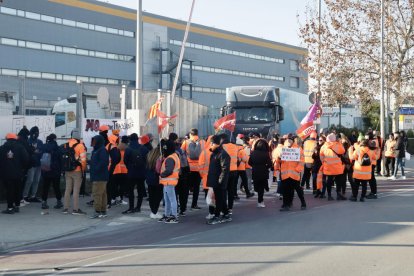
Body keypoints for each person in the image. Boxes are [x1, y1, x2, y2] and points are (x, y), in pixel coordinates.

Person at [276, 134, 307, 211]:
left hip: (294, 173)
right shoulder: (283, 149)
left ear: (293, 142)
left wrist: (298, 169)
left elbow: (302, 161)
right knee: (285, 190)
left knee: (298, 189)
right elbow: (279, 160)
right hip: (285, 174)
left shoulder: (298, 149)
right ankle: (286, 204)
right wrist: (279, 158)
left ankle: (303, 203)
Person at [0, 133, 29, 214]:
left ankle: (9, 208)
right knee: (17, 189)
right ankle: (17, 206)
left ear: (7, 139)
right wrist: (22, 168)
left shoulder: (2, 148)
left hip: (6, 173)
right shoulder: (20, 147)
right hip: (18, 172)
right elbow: (26, 159)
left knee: (9, 190)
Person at [206, 135, 231, 225]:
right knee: (221, 198)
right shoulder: (214, 153)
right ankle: (226, 214)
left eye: (211, 144)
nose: (210, 146)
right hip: (214, 180)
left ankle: (217, 216)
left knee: (219, 199)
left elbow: (225, 169)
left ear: (215, 144)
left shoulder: (223, 154)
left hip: (220, 181)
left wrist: (220, 181)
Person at [62, 128, 87, 215]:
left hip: (67, 170)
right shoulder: (80, 146)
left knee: (67, 189)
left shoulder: (66, 144)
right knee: (76, 190)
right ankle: (75, 209)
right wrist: (83, 169)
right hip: (77, 171)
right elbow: (83, 160)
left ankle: (65, 208)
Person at [123, 133, 149, 214]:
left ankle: (131, 207)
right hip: (141, 172)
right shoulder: (143, 148)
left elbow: (125, 160)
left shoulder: (128, 148)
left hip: (131, 172)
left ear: (130, 139)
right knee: (140, 190)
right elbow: (147, 159)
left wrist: (129, 167)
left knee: (130, 190)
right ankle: (138, 207)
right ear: (137, 139)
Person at [181, 128, 205, 210]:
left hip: (189, 168)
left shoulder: (186, 142)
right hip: (198, 168)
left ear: (190, 134)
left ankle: (183, 206)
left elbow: (181, 153)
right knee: (196, 187)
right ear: (197, 134)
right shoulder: (202, 142)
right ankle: (194, 204)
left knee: (186, 188)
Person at [159, 140, 180, 223]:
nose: (164, 149)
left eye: (165, 148)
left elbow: (169, 170)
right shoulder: (174, 156)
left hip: (169, 181)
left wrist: (161, 175)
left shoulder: (170, 158)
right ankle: (167, 215)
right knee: (168, 199)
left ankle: (174, 216)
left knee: (171, 199)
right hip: (168, 182)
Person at [320, 133, 346, 200]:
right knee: (338, 182)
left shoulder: (323, 146)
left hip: (328, 168)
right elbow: (343, 151)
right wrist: (339, 142)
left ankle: (329, 196)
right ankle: (338, 194)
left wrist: (325, 163)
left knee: (329, 182)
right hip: (337, 168)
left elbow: (321, 157)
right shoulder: (337, 145)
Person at [40, 134, 63, 210]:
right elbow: (61, 160)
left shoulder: (44, 146)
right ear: (54, 139)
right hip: (55, 171)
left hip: (45, 169)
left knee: (45, 187)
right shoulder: (58, 148)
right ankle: (59, 202)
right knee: (56, 187)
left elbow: (40, 156)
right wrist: (61, 170)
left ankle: (44, 202)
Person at [89, 135, 110, 218]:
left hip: (100, 176)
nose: (93, 143)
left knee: (97, 194)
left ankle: (97, 211)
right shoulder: (97, 150)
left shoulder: (101, 150)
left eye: (94, 141)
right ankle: (103, 211)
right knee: (103, 194)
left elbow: (104, 162)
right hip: (99, 175)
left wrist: (96, 169)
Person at [248, 139, 272, 208]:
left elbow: (249, 162)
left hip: (255, 171)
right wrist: (266, 166)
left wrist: (254, 166)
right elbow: (270, 164)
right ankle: (260, 201)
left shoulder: (253, 153)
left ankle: (258, 193)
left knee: (257, 186)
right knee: (261, 188)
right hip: (263, 171)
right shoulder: (266, 154)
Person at [22, 126, 44, 203]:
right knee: (30, 180)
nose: (36, 134)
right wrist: (35, 152)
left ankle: (33, 196)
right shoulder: (28, 141)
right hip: (31, 164)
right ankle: (24, 196)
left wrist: (36, 152)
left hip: (38, 164)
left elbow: (42, 151)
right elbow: (27, 152)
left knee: (36, 180)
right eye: (34, 133)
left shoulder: (40, 142)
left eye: (37, 133)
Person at [221, 133, 239, 213]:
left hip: (225, 171)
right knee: (231, 190)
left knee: (223, 190)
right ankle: (230, 207)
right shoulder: (235, 146)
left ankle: (224, 208)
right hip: (234, 171)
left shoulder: (222, 147)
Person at [146, 144, 164, 219]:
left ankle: (153, 211)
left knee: (151, 195)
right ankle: (154, 212)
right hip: (157, 178)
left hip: (149, 177)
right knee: (158, 195)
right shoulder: (160, 156)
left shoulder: (150, 153)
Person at [110, 135, 129, 206]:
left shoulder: (117, 147)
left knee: (114, 185)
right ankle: (120, 199)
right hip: (124, 170)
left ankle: (113, 199)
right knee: (122, 186)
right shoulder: (127, 148)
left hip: (116, 169)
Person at [105, 134, 121, 208]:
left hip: (107, 168)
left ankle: (108, 201)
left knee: (108, 186)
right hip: (111, 169)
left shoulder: (107, 145)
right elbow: (116, 158)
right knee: (110, 186)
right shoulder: (113, 147)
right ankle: (109, 202)